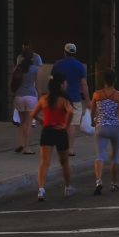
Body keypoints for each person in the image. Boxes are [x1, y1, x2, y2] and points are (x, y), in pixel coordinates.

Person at [91, 69, 119, 195]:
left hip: (101, 127)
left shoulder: (96, 94)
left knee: (100, 156)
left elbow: (92, 111)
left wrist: (93, 122)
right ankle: (114, 183)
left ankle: (99, 181)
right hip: (115, 127)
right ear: (115, 81)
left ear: (104, 81)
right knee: (115, 156)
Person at [36, 70, 74, 201]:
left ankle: (41, 189)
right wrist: (66, 125)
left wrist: (41, 120)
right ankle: (67, 188)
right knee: (64, 162)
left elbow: (33, 114)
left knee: (44, 162)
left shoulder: (44, 99)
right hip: (60, 131)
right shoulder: (64, 100)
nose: (66, 84)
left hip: (47, 131)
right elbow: (70, 112)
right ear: (61, 85)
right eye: (65, 82)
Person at [10, 54, 39, 154]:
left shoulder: (17, 69)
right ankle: (27, 148)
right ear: (32, 58)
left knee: (21, 122)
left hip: (19, 96)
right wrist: (40, 99)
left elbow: (10, 82)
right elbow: (38, 86)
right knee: (29, 122)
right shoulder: (36, 69)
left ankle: (20, 143)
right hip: (31, 97)